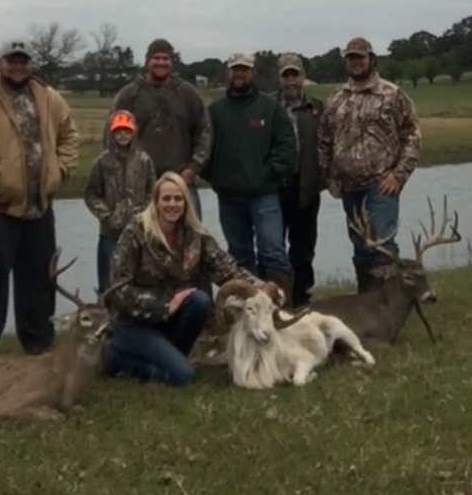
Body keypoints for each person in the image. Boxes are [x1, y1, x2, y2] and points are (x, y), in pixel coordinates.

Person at [0, 40, 79, 358]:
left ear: (32, 64)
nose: (18, 66)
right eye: (12, 61)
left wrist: (60, 170)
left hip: (40, 207)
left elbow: (69, 136)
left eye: (24, 61)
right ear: (1, 64)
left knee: (39, 279)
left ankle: (39, 343)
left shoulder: (50, 98)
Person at [105, 172, 268, 386]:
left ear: (186, 202)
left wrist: (261, 289)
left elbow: (227, 269)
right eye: (166, 199)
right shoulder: (135, 233)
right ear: (156, 202)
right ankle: (118, 358)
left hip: (168, 322)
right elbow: (118, 291)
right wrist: (164, 307)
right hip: (134, 324)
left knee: (199, 301)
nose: (172, 204)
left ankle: (167, 358)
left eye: (178, 199)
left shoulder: (195, 235)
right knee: (184, 376)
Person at [318, 37, 421, 292]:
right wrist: (329, 177)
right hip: (349, 188)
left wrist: (398, 175)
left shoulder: (391, 94)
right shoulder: (335, 99)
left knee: (382, 247)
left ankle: (392, 305)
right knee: (361, 248)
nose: (355, 62)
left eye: (360, 57)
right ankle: (366, 305)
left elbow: (412, 136)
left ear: (371, 59)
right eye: (351, 58)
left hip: (381, 186)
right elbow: (324, 140)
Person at [205, 52, 297, 300]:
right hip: (229, 199)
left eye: (244, 69)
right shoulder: (215, 112)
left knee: (273, 253)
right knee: (239, 256)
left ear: (253, 73)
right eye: (235, 69)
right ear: (228, 72)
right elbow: (203, 151)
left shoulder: (271, 108)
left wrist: (265, 175)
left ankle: (283, 308)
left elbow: (287, 151)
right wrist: (217, 178)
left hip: (264, 196)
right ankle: (248, 310)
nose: (239, 74)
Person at [107, 38, 211, 219]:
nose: (161, 63)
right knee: (140, 235)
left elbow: (204, 132)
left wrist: (193, 169)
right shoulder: (128, 95)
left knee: (191, 234)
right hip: (139, 187)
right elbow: (110, 136)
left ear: (172, 62)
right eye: (156, 58)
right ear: (147, 61)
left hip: (181, 183)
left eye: (165, 58)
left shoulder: (188, 94)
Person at [84, 110, 156, 293]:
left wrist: (143, 215)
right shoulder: (102, 162)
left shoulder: (144, 161)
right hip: (110, 234)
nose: (123, 135)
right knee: (108, 285)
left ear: (134, 132)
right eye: (118, 131)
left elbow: (152, 192)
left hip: (139, 234)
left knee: (140, 282)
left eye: (127, 131)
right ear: (112, 133)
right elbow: (91, 194)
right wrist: (107, 216)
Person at [276, 54, 325, 307]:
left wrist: (325, 180)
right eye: (286, 75)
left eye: (295, 74)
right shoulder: (269, 106)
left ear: (303, 76)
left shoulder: (318, 108)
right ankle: (277, 299)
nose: (291, 80)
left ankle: (302, 299)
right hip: (275, 189)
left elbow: (329, 144)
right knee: (273, 248)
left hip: (307, 188)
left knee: (304, 250)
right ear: (280, 79)